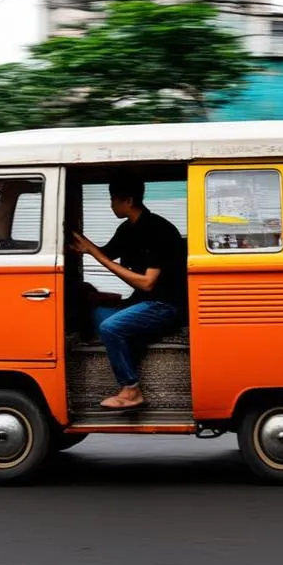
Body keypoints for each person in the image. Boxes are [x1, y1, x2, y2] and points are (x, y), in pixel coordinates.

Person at [70, 176, 187, 411]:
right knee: (94, 313)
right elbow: (106, 254)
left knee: (110, 327)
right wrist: (80, 245)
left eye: (113, 200)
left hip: (165, 305)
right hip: (143, 301)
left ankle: (131, 389)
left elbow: (147, 283)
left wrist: (94, 252)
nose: (111, 205)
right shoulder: (127, 229)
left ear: (129, 200)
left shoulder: (158, 230)